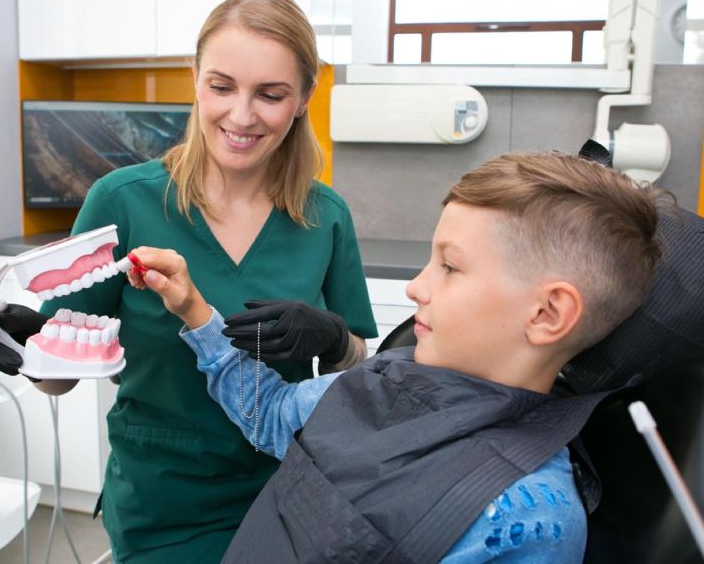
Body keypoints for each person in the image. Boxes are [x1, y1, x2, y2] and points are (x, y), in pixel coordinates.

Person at [0, 0, 377, 562]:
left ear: (305, 96)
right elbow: (62, 375)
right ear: (196, 78)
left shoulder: (324, 217)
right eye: (221, 86)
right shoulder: (123, 203)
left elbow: (360, 368)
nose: (241, 115)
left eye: (270, 94)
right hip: (162, 504)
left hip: (286, 493)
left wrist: (335, 340)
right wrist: (29, 351)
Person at [126, 152, 664, 562]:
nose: (415, 288)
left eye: (449, 267)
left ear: (548, 313)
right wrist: (195, 311)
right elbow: (271, 415)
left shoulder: (528, 517)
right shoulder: (385, 378)